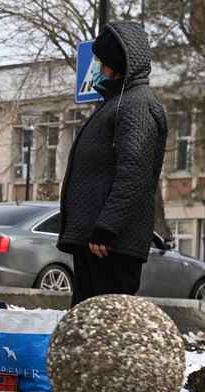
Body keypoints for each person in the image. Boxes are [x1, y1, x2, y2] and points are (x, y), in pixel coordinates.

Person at [58, 22, 168, 307]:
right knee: (88, 326)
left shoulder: (137, 105)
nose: (97, 66)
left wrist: (107, 228)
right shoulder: (116, 102)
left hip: (109, 246)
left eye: (102, 61)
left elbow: (134, 171)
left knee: (105, 329)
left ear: (116, 63)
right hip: (96, 243)